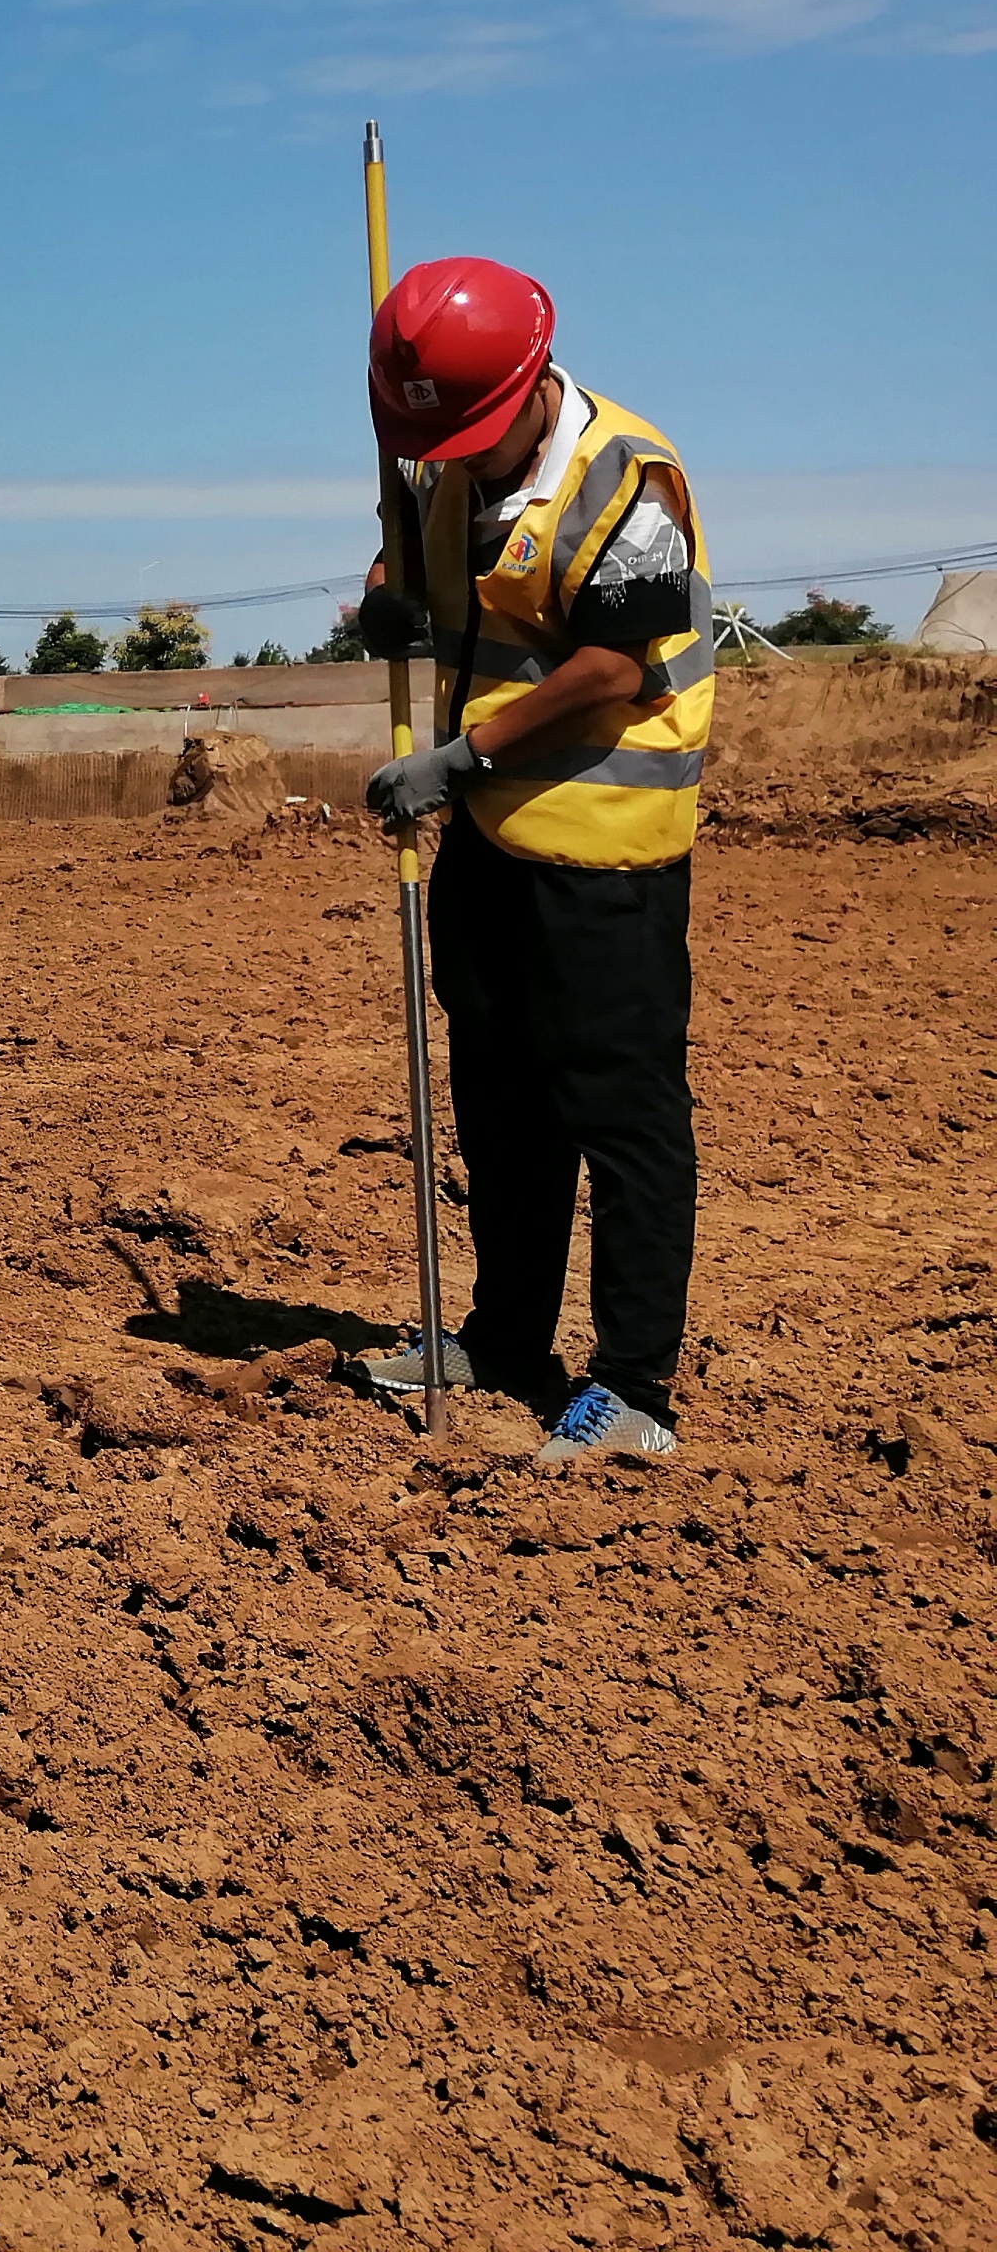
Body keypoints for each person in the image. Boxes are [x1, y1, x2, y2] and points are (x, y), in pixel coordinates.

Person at [355, 256, 712, 1468]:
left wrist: (455, 757)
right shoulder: (441, 461)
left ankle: (631, 1390)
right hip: (489, 845)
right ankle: (504, 1336)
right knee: (498, 1108)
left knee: (618, 1115)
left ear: (526, 385)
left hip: (602, 851)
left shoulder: (629, 481)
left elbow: (615, 664)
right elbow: (412, 574)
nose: (448, 454)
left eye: (464, 432)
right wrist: (383, 604)